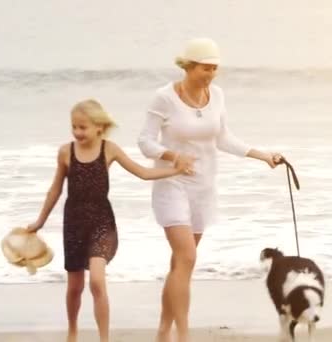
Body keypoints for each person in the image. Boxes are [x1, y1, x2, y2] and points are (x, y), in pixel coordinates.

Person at [137, 38, 283, 342]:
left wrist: (263, 155)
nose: (211, 74)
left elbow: (223, 138)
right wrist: (173, 156)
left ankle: (163, 331)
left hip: (203, 188)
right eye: (206, 68)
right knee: (187, 257)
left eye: (215, 68)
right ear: (189, 66)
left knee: (180, 264)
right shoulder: (164, 97)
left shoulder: (216, 95)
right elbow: (145, 142)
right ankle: (183, 335)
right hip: (171, 184)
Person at [26, 99, 188, 342]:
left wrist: (174, 170)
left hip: (102, 222)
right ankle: (73, 331)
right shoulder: (65, 152)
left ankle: (104, 338)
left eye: (83, 127)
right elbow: (55, 190)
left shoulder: (109, 149)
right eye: (74, 127)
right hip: (74, 223)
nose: (78, 132)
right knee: (75, 287)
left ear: (99, 127)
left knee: (98, 282)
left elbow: (143, 173)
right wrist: (40, 222)